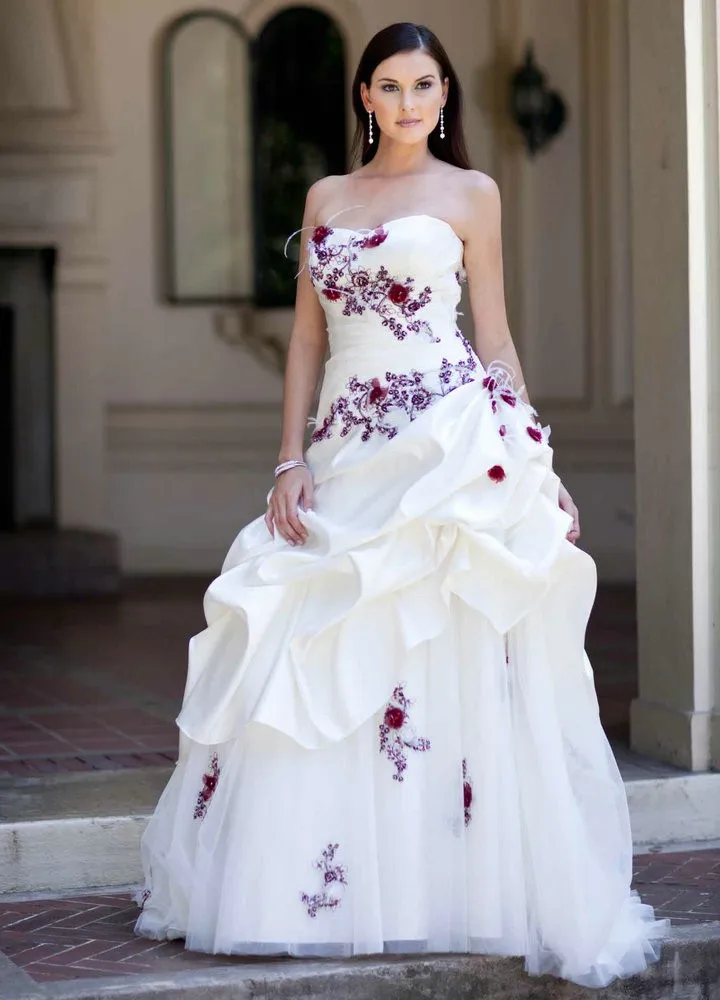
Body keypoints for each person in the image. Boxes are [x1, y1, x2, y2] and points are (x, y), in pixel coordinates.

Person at [135, 21, 668, 988]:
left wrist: (532, 459)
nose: (411, 102)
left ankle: (447, 883)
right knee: (307, 638)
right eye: (391, 85)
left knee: (442, 650)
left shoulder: (473, 194)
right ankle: (306, 889)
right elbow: (305, 340)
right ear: (367, 99)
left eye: (427, 85)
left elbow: (494, 337)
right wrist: (287, 460)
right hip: (344, 446)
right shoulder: (328, 197)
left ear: (445, 96)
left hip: (447, 442)